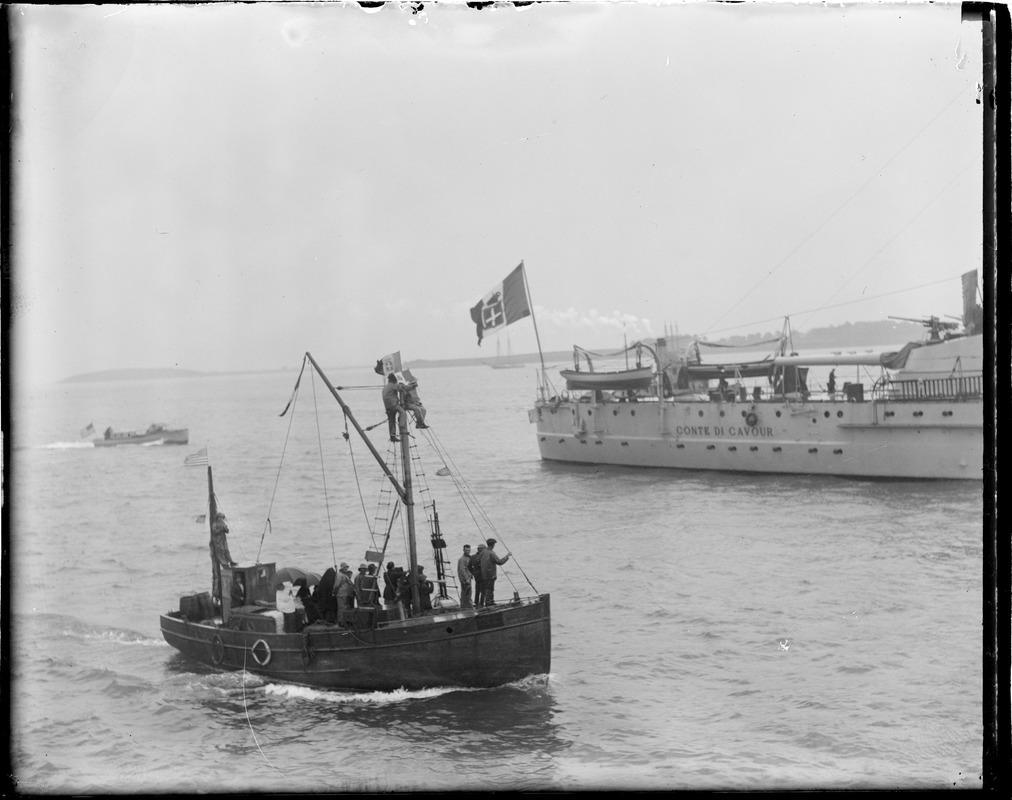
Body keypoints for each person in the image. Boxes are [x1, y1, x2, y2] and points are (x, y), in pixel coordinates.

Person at [209, 511, 237, 608]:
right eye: (220, 518)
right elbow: (214, 531)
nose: (221, 519)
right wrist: (221, 528)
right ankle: (224, 563)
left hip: (223, 540)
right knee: (220, 553)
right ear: (218, 518)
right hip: (217, 542)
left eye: (222, 518)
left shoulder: (222, 523)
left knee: (226, 551)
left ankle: (230, 560)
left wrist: (225, 528)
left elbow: (227, 531)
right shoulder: (215, 524)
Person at [479, 538, 510, 606]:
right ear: (492, 545)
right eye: (494, 544)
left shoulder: (483, 552)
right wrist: (507, 556)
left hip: (484, 575)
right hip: (490, 575)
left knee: (487, 589)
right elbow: (500, 562)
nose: (494, 546)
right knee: (490, 589)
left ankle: (489, 602)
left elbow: (478, 561)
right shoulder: (491, 553)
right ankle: (489, 603)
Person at [382, 373, 408, 442]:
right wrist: (410, 386)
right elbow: (401, 388)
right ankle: (402, 428)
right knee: (403, 412)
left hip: (387, 407)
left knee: (391, 421)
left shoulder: (385, 387)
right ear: (394, 379)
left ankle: (392, 436)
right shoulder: (393, 385)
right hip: (394, 405)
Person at [469, 542, 486, 607]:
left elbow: (469, 566)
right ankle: (481, 603)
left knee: (477, 589)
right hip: (482, 575)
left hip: (476, 575)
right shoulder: (482, 557)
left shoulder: (473, 557)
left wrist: (473, 572)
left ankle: (476, 602)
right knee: (483, 590)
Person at [457, 544, 473, 608]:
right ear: (463, 550)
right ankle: (466, 606)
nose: (468, 551)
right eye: (466, 550)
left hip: (469, 578)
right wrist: (466, 579)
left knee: (468, 593)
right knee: (466, 594)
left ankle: (466, 606)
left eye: (469, 550)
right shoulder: (462, 559)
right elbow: (462, 570)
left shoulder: (469, 557)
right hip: (465, 580)